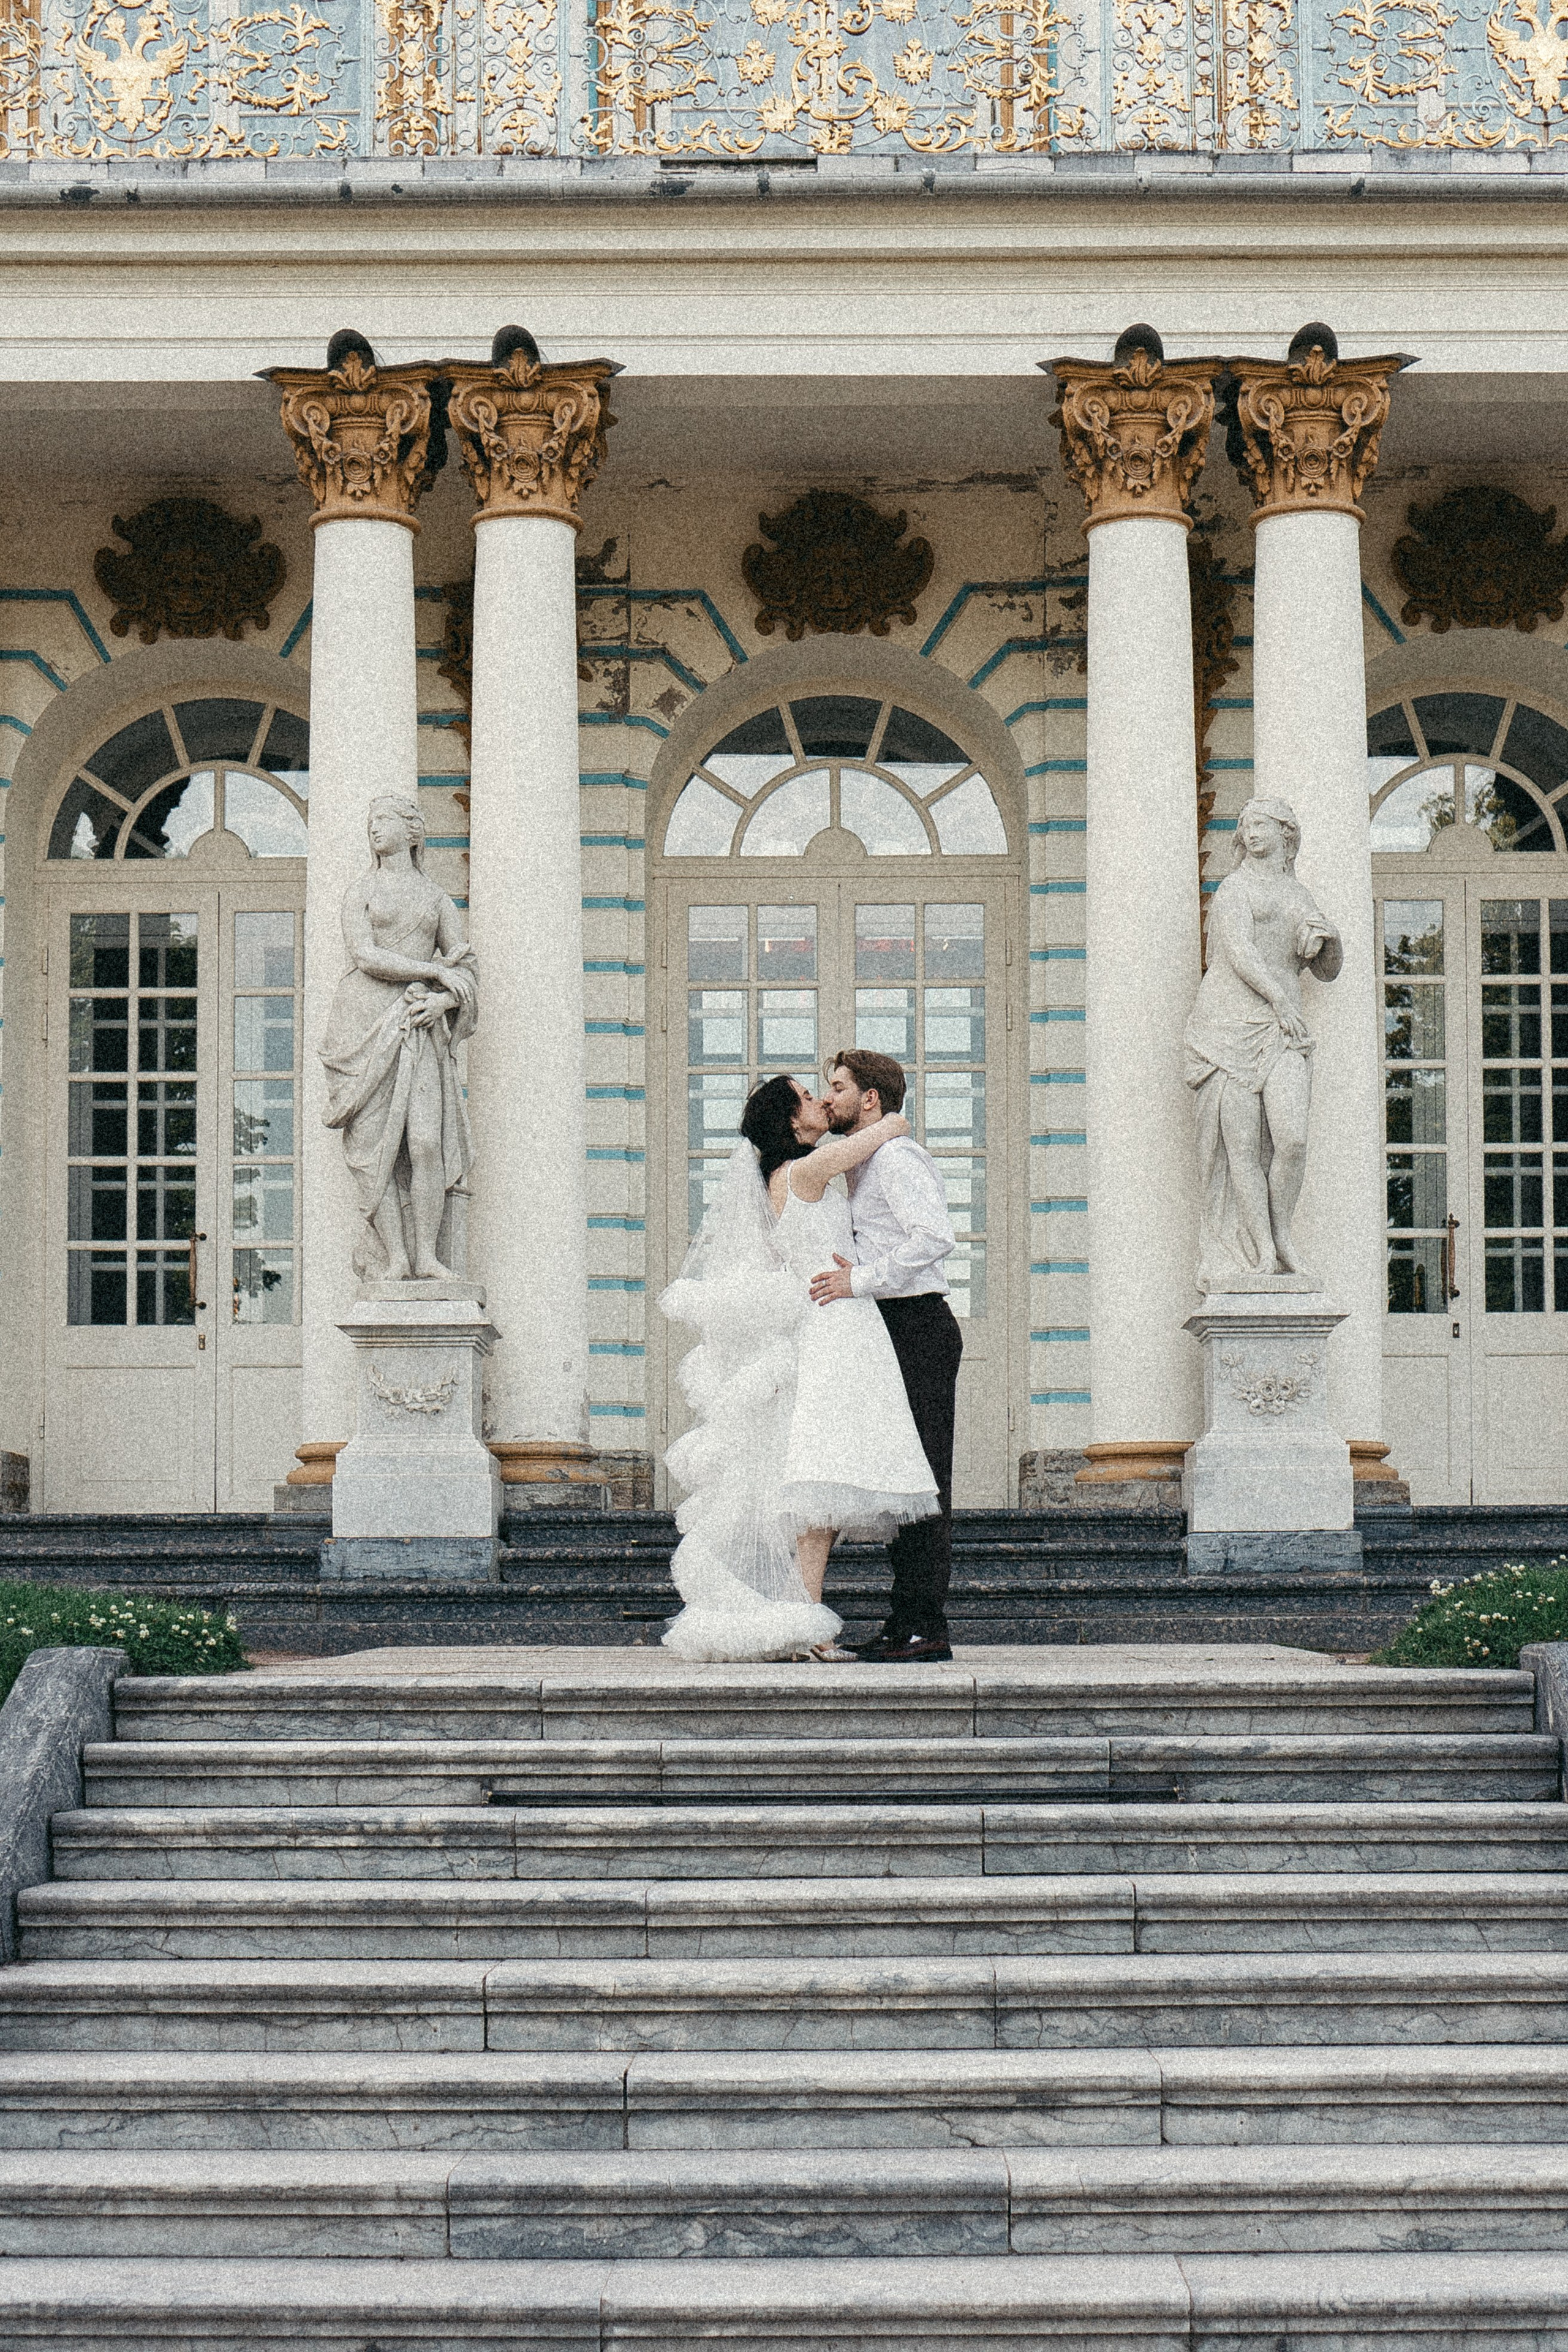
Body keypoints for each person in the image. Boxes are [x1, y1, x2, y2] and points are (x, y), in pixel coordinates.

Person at [658, 1074, 938, 1664]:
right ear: (790, 1121)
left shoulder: (789, 1175)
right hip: (833, 1330)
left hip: (840, 1327)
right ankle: (807, 1629)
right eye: (810, 1097)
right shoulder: (803, 1171)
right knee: (819, 1488)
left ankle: (807, 1624)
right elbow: (873, 1139)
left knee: (823, 1493)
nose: (820, 1101)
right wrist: (890, 1120)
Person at [808, 1049, 962, 1664]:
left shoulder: (896, 1158)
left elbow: (936, 1237)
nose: (830, 1099)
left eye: (839, 1088)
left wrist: (860, 1279)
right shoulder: (866, 1160)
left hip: (918, 1324)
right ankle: (906, 1623)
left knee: (924, 1482)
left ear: (870, 1099)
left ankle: (924, 1626)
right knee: (903, 1477)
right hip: (890, 1325)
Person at [1184, 796, 1342, 1292]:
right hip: (1228, 1026)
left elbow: (1328, 971)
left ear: (1286, 833)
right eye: (1245, 826)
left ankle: (1282, 1231)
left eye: (1260, 825)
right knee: (1242, 1150)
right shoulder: (1235, 889)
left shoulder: (1300, 896)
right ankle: (1263, 1252)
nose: (1250, 833)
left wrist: (1329, 939)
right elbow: (1239, 953)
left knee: (1293, 1139)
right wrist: (1280, 999)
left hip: (1281, 1028)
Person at [319, 793, 478, 1284]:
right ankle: (396, 1259)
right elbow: (365, 955)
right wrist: (432, 971)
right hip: (361, 1024)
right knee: (373, 1150)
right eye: (371, 821)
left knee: (425, 1141)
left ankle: (428, 1256)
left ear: (413, 832)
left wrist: (443, 1002)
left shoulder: (435, 898)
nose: (374, 828)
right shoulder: (360, 891)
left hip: (418, 1024)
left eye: (384, 819)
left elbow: (467, 968)